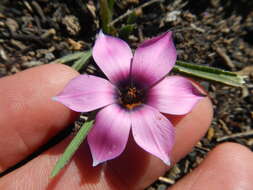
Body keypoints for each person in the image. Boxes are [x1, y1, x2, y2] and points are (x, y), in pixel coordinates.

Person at [0, 64, 252, 190]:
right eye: (131, 94)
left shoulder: (150, 93)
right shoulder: (118, 84)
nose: (132, 93)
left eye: (134, 94)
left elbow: (186, 97)